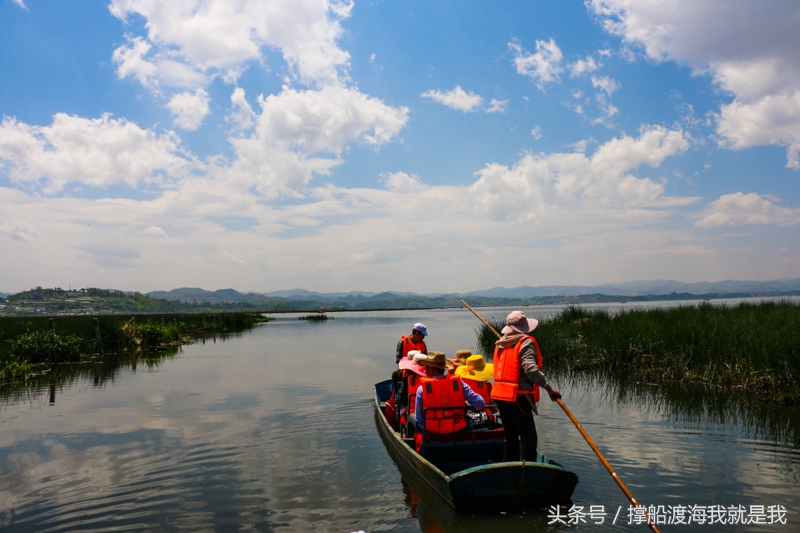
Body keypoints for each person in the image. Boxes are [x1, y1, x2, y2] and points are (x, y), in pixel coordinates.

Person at [491, 310, 561, 462]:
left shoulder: (501, 343)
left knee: (511, 437)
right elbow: (530, 369)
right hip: (517, 397)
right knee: (529, 438)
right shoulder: (525, 342)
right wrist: (549, 389)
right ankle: (527, 474)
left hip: (500, 396)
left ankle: (510, 470)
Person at [413, 352, 485, 434]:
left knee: (413, 418)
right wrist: (467, 405)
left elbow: (418, 418)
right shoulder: (458, 383)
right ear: (444, 368)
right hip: (457, 430)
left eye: (426, 368)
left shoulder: (422, 389)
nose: (425, 370)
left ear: (431, 370)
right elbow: (480, 403)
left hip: (432, 432)